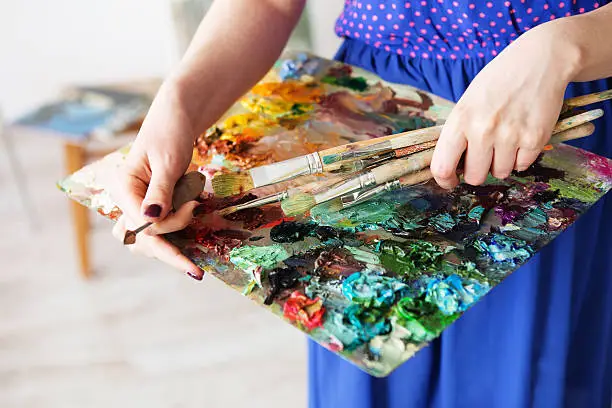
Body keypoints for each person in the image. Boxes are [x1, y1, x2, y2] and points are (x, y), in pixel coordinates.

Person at [111, 1, 612, 406]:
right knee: (370, 358)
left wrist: (562, 46)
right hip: (372, 106)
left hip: (549, 110)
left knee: (520, 374)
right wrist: (179, 102)